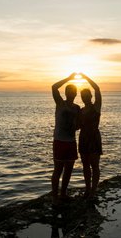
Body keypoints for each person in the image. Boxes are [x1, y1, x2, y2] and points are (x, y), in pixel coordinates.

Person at [51, 73, 81, 205]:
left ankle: (63, 194)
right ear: (65, 93)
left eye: (73, 91)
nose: (71, 93)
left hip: (71, 142)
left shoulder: (77, 108)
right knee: (58, 169)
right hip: (59, 141)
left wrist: (75, 126)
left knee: (68, 170)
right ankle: (54, 197)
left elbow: (79, 125)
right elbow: (54, 87)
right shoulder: (60, 103)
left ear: (75, 94)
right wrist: (69, 79)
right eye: (69, 91)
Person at [78, 73, 102, 199]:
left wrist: (86, 78)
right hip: (83, 138)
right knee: (85, 165)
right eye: (83, 96)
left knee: (95, 165)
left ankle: (93, 190)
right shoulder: (81, 111)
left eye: (87, 95)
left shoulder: (96, 107)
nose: (85, 97)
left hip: (93, 138)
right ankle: (87, 189)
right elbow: (76, 125)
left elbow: (97, 89)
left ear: (91, 96)